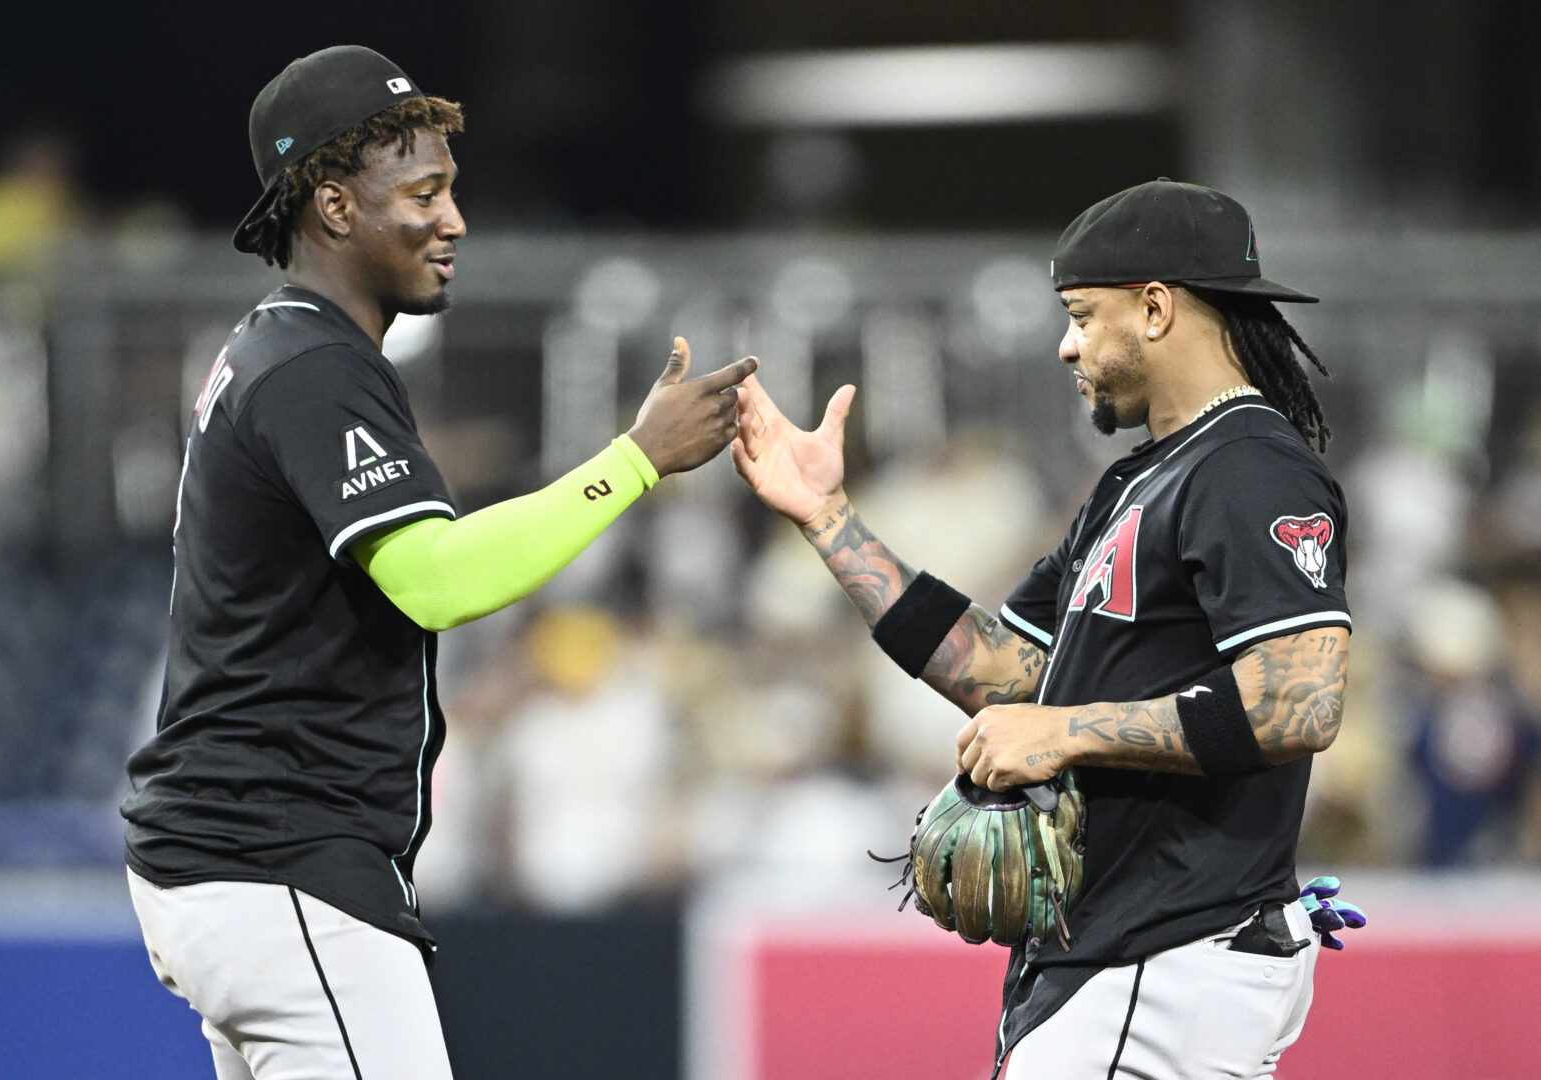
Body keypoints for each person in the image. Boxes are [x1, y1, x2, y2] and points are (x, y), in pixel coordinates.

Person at [120, 45, 755, 1079]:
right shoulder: (314, 365)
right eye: (422, 194)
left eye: (450, 190)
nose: (454, 220)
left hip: (239, 864)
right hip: (280, 863)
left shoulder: (283, 347)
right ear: (333, 206)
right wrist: (636, 460)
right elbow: (438, 578)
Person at [731, 179, 1351, 1079]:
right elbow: (1010, 671)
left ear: (1154, 308)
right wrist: (827, 518)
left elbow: (1299, 702)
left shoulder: (1248, 466)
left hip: (1167, 953)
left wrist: (1065, 732)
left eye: (1082, 316)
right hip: (1123, 958)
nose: (1067, 344)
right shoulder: (1139, 481)